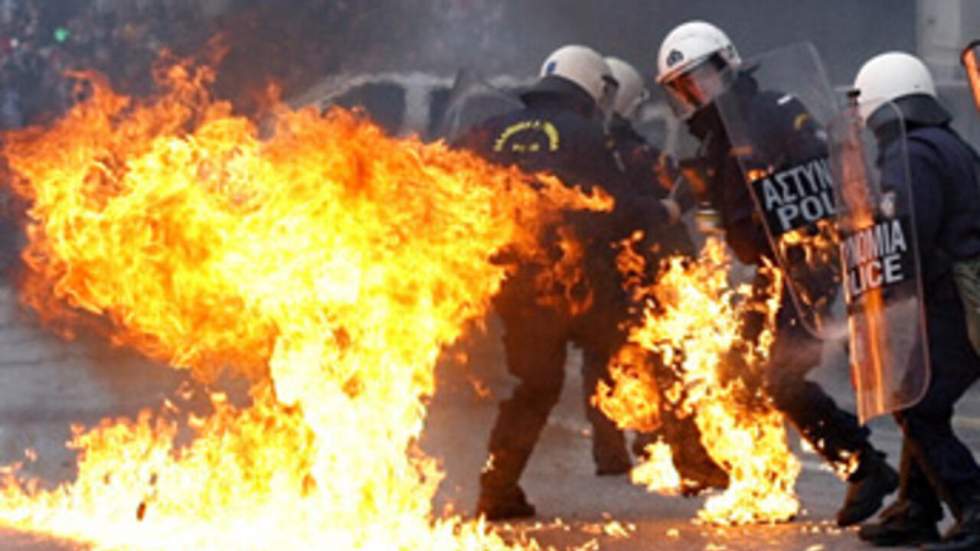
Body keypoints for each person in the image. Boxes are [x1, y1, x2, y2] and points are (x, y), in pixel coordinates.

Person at [654, 20, 898, 527]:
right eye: (683, 87)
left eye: (699, 78)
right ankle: (759, 478)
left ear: (727, 65)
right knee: (737, 368)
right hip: (772, 268)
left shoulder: (776, 111)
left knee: (783, 379)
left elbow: (821, 179)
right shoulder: (716, 143)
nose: (694, 94)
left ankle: (866, 466)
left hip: (809, 262)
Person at [455, 44, 683, 520]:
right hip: (580, 282)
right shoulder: (584, 134)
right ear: (596, 88)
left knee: (534, 386)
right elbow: (615, 207)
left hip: (517, 284)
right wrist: (663, 212)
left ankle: (497, 489)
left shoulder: (490, 130)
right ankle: (693, 457)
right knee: (640, 348)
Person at [848, 52, 980, 550]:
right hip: (964, 293)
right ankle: (916, 508)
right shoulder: (947, 144)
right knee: (920, 395)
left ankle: (973, 504)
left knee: (917, 403)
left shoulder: (911, 154)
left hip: (952, 296)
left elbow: (906, 233)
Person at [603, 55, 728, 494]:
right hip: (658, 269)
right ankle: (689, 460)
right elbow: (695, 199)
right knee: (673, 362)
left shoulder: (588, 150)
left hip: (609, 273)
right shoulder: (643, 157)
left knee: (636, 359)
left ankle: (642, 442)